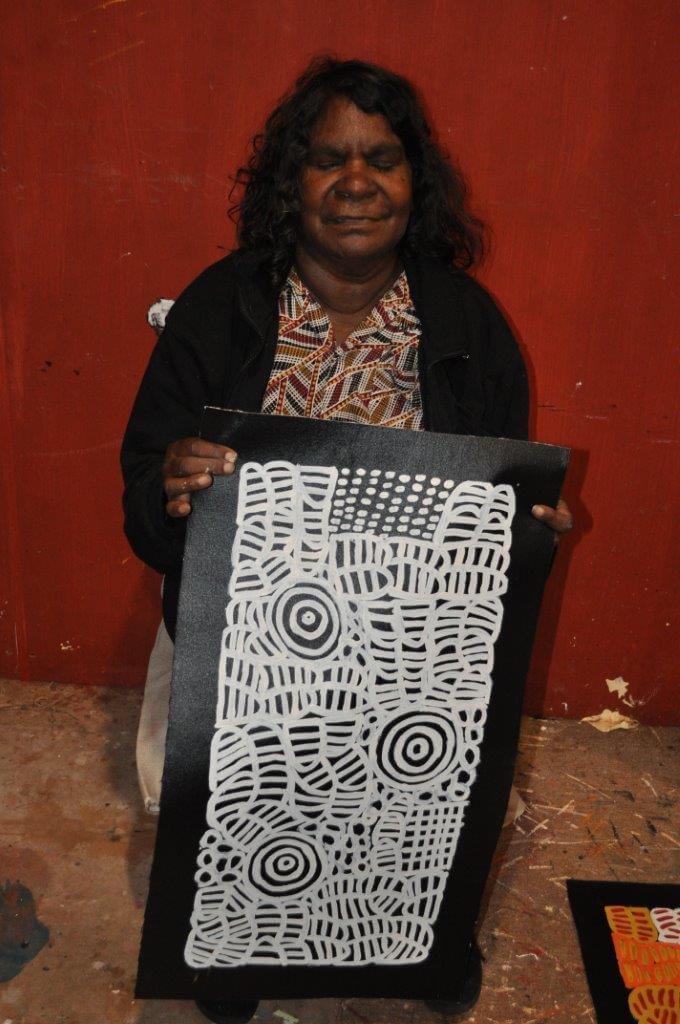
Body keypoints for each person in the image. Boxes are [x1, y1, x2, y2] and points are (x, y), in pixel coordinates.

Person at [121, 57, 572, 1024]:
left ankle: (424, 941)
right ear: (292, 182)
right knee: (212, 781)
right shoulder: (219, 307)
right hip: (245, 640)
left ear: (416, 181)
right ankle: (238, 942)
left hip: (415, 646)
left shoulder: (465, 323)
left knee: (437, 784)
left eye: (382, 159)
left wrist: (530, 532)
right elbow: (143, 498)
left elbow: (501, 506)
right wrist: (172, 490)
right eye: (328, 159)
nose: (356, 182)